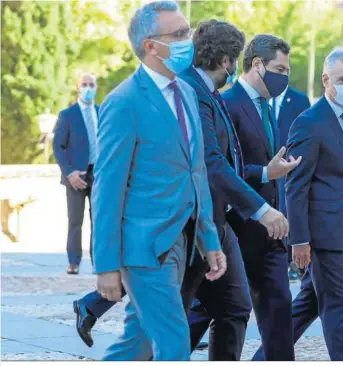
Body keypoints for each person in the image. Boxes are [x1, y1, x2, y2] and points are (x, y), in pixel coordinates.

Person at [71, 19, 292, 360]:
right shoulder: (173, 94)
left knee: (229, 307)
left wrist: (213, 234)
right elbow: (208, 164)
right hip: (169, 229)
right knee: (161, 333)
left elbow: (210, 165)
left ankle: (95, 309)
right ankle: (95, 307)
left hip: (206, 226)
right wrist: (261, 209)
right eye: (177, 35)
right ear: (227, 60)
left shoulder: (198, 92)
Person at [91, 1, 226, 361]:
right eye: (180, 34)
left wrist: (208, 239)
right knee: (174, 341)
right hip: (143, 248)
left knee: (137, 343)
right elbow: (107, 189)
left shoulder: (185, 92)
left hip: (180, 240)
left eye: (189, 32)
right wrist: (105, 265)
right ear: (151, 45)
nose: (190, 41)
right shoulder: (123, 102)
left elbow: (196, 171)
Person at [253, 47, 343, 361]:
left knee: (310, 301)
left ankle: (263, 357)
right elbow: (295, 185)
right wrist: (300, 239)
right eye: (342, 79)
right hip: (321, 233)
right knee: (337, 302)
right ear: (326, 79)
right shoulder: (309, 122)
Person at [221, 34, 299, 361]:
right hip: (236, 230)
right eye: (279, 68)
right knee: (219, 314)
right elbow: (222, 169)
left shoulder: (268, 107)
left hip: (270, 234)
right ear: (257, 65)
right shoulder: (227, 103)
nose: (284, 77)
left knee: (280, 310)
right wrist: (265, 173)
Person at [53, 73, 99, 275]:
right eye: (84, 85)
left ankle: (100, 262)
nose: (88, 88)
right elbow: (58, 146)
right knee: (75, 220)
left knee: (99, 220)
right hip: (76, 175)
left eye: (91, 85)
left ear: (96, 87)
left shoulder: (102, 112)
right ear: (78, 88)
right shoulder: (68, 115)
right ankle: (74, 261)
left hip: (98, 173)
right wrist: (70, 173)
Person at [270, 86, 311, 281]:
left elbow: (308, 133)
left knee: (288, 212)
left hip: (290, 166)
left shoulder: (299, 99)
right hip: (265, 166)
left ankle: (292, 262)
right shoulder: (261, 96)